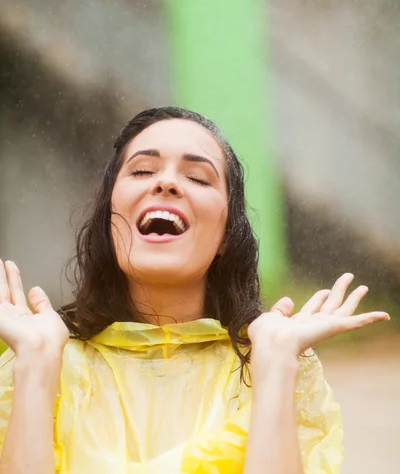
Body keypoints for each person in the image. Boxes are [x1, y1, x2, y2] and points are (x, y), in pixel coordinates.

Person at [0, 106, 390, 474]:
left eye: (198, 178)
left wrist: (276, 363)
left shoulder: (277, 363)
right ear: (109, 217)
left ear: (226, 235)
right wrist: (34, 363)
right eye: (142, 171)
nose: (166, 182)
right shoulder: (39, 357)